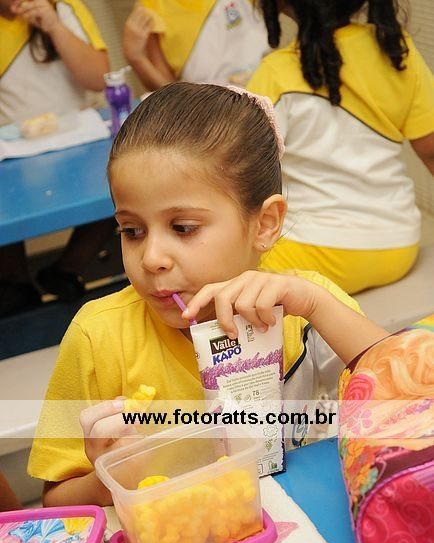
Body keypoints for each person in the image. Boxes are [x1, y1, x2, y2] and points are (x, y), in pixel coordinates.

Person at [27, 82, 388, 507]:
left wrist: (315, 305)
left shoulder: (307, 308)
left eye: (183, 228)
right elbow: (56, 502)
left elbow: (411, 390)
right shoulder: (98, 337)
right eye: (132, 231)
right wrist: (109, 479)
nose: (152, 258)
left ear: (264, 224)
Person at [247, 0, 434, 294]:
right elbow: (431, 152)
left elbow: (241, 167)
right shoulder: (397, 50)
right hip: (398, 247)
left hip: (311, 253)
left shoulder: (275, 72)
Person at [0, 0, 115, 315]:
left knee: (119, 182)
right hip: (12, 152)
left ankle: (67, 268)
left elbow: (99, 78)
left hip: (81, 139)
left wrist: (53, 25)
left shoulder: (63, 7)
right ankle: (16, 286)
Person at [122, 0, 270, 90]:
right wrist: (136, 58)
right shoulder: (152, 6)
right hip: (210, 108)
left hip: (266, 86)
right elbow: (168, 90)